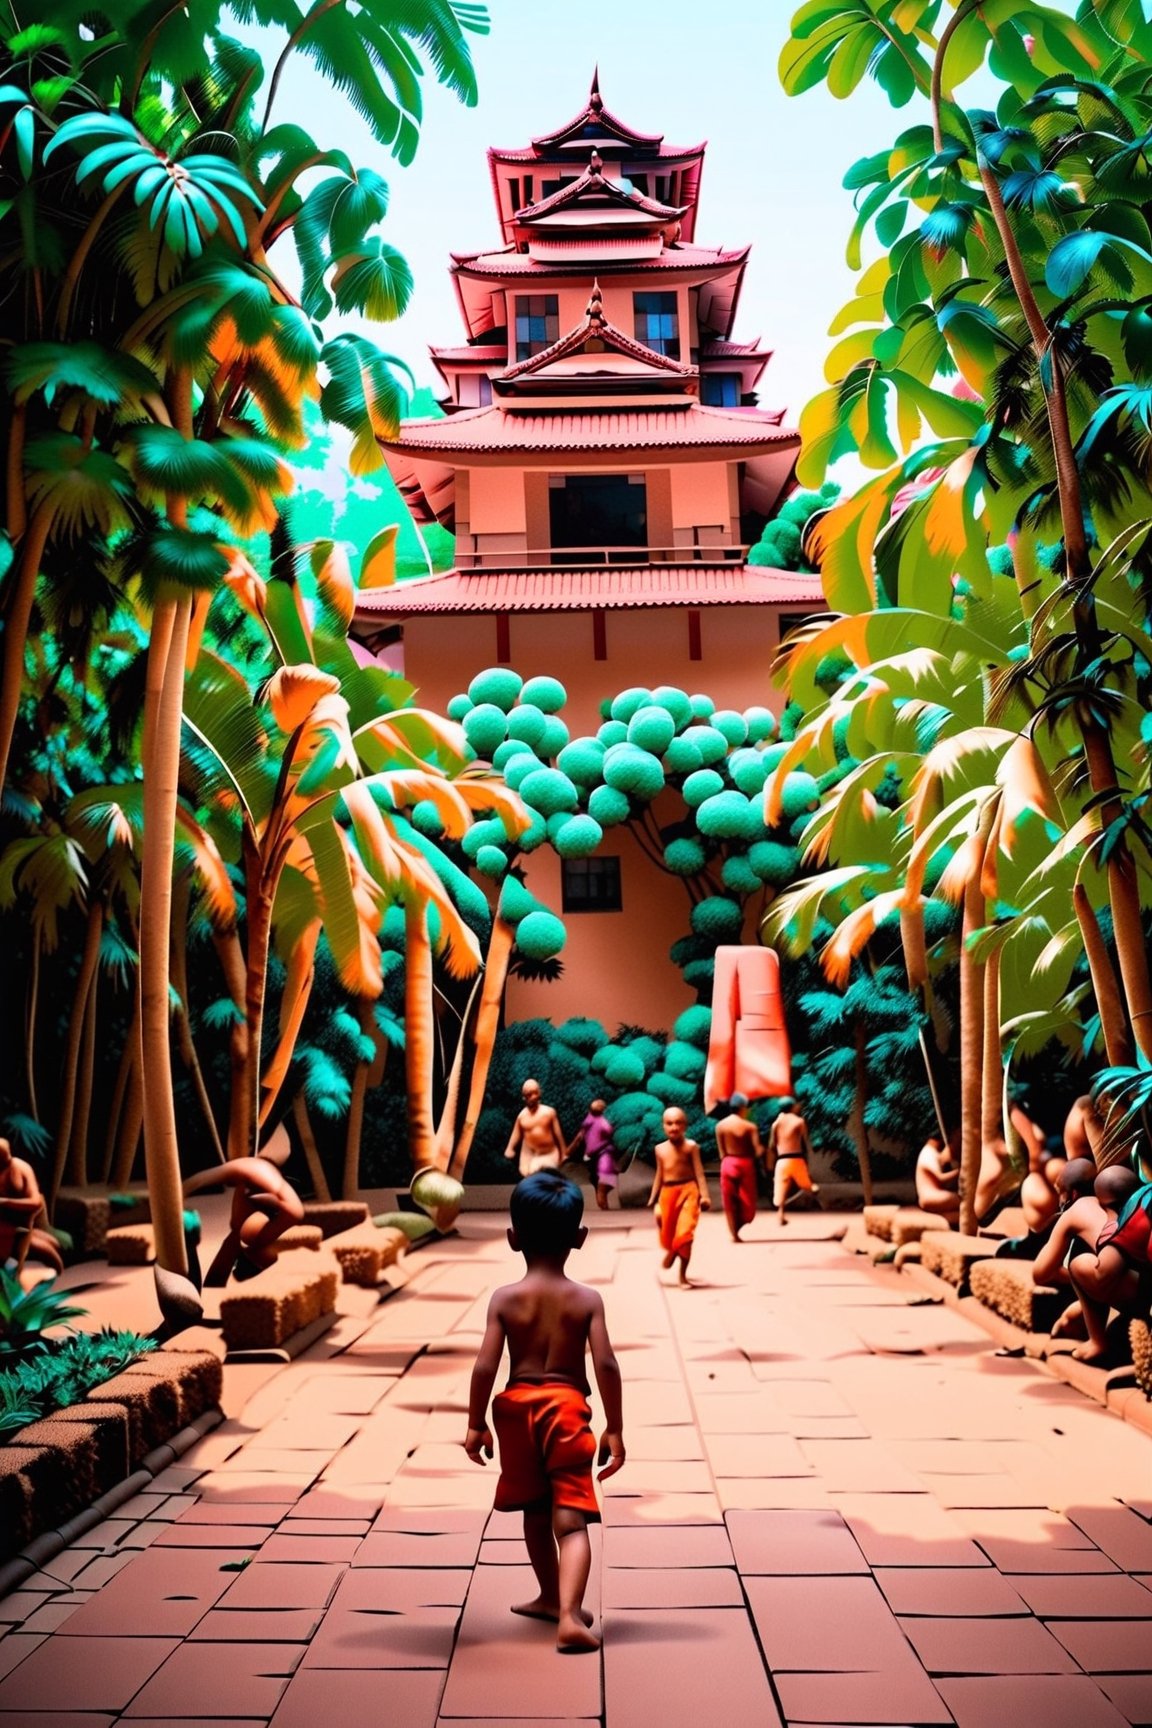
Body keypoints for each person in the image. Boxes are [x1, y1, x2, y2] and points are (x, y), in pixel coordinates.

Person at [463, 1170, 624, 1654]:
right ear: (579, 1237)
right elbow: (607, 1365)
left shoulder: (505, 1300)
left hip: (515, 1412)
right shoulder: (586, 1300)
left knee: (534, 1509)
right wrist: (614, 1426)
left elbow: (485, 1365)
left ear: (513, 1238)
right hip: (566, 1412)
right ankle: (569, 1615)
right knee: (570, 1519)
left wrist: (475, 1423)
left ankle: (551, 1596)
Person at [1033, 1166, 1151, 1362]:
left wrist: (1072, 1278)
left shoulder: (1080, 1208)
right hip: (1140, 1284)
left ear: (1072, 1194)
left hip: (1133, 1291)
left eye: (1058, 1192)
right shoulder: (1140, 1204)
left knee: (1079, 1263)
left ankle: (1097, 1342)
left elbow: (1040, 1273)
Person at [182, 1154, 304, 1286]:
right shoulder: (256, 1174)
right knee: (235, 1241)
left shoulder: (257, 1172)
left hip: (268, 1223)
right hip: (268, 1215)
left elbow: (295, 1211)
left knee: (240, 1239)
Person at [649, 1107, 710, 1285]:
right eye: (669, 1123)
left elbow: (699, 1173)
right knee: (665, 1227)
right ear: (663, 1126)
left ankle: (682, 1275)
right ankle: (672, 1251)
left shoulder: (691, 1147)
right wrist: (653, 1196)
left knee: (685, 1234)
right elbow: (659, 1174)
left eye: (678, 1123)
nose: (674, 1127)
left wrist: (704, 1196)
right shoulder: (659, 1149)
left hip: (689, 1191)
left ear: (685, 1125)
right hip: (668, 1193)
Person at [0, 1138, 63, 1279]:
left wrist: (5, 1202)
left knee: (14, 1261)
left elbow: (35, 1202)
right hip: (3, 1224)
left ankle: (13, 1284)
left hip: (21, 1223)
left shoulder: (21, 1168)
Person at [716, 1093, 766, 1242]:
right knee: (747, 1201)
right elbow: (757, 1150)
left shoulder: (720, 1126)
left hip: (727, 1162)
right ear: (743, 1108)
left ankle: (734, 1234)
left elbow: (721, 1152)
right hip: (745, 1163)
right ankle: (739, 1227)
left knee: (729, 1200)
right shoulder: (750, 1127)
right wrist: (765, 1151)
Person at [768, 1097, 819, 1227]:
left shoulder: (776, 1124)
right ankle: (816, 1195)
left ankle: (781, 1214)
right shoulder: (799, 1121)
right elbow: (805, 1140)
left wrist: (771, 1162)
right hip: (796, 1159)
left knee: (780, 1190)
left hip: (782, 1160)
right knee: (809, 1186)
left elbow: (772, 1145)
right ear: (792, 1107)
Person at [504, 1079, 567, 1179]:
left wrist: (563, 1152)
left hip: (548, 1153)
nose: (533, 1097)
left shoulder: (549, 1112)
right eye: (529, 1094)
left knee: (545, 1176)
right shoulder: (522, 1116)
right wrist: (510, 1147)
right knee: (530, 1176)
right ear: (524, 1097)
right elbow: (516, 1133)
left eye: (535, 1093)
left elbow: (558, 1134)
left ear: (540, 1092)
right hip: (528, 1154)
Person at [568, 1100, 619, 1212]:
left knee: (606, 1174)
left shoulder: (604, 1121)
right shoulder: (589, 1121)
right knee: (598, 1177)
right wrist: (569, 1151)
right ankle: (601, 1196)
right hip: (592, 1154)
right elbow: (579, 1138)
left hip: (604, 1151)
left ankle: (602, 1195)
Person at [915, 1131, 960, 1225]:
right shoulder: (928, 1153)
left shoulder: (933, 1153)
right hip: (931, 1196)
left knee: (955, 1215)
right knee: (965, 1201)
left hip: (933, 1195)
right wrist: (960, 1171)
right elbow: (940, 1178)